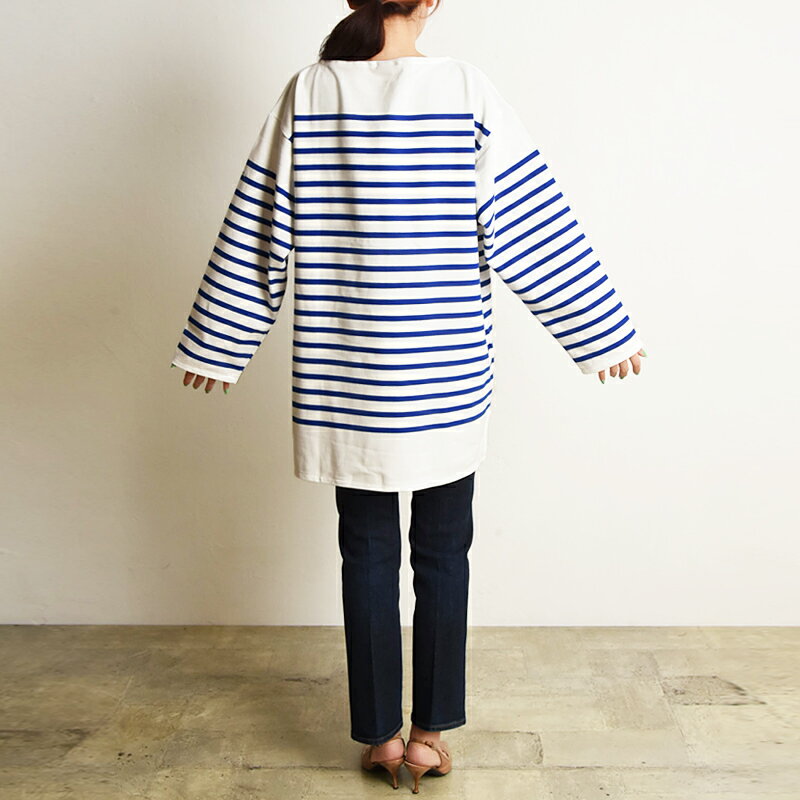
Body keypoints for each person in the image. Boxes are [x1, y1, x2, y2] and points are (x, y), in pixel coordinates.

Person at [169, 0, 647, 791]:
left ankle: (380, 740)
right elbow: (531, 220)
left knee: (365, 554)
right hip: (442, 378)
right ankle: (428, 737)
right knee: (444, 555)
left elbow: (260, 219)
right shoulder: (465, 90)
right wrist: (601, 332)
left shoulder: (310, 91)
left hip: (348, 378)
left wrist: (219, 342)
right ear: (429, 1)